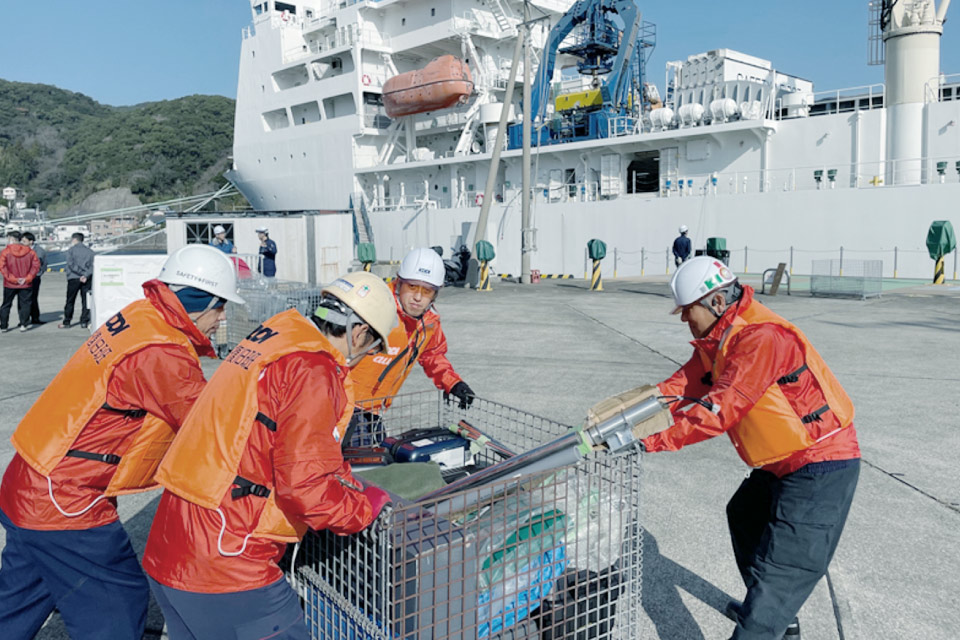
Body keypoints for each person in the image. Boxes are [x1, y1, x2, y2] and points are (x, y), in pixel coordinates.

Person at [0, 245, 244, 639]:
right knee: (115, 604)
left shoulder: (141, 316)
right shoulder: (162, 352)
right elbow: (211, 427)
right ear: (202, 303)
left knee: (17, 600)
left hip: (30, 479)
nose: (222, 319)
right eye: (220, 308)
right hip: (65, 501)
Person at [141, 270, 396, 639]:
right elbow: (305, 489)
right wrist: (362, 509)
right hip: (227, 563)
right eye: (372, 348)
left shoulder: (277, 335)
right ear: (359, 333)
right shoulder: (313, 369)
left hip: (172, 542)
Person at [639, 256, 860, 640]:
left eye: (687, 311)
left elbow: (719, 411)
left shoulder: (761, 338)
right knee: (744, 516)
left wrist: (649, 440)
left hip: (822, 465)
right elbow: (682, 385)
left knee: (779, 578)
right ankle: (775, 614)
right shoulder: (719, 337)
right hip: (782, 464)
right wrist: (633, 411)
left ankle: (768, 616)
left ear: (716, 304)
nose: (682, 319)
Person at [349, 247, 474, 445]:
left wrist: (453, 383)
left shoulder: (428, 322)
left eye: (426, 291)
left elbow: (433, 355)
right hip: (344, 406)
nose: (418, 297)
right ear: (399, 283)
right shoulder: (376, 307)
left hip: (373, 409)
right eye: (413, 287)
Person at [0, 230, 40, 334]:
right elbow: (35, 267)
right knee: (25, 304)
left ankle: (3, 325)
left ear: (11, 239)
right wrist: (27, 278)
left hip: (9, 283)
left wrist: (13, 279)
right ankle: (24, 324)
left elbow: (3, 267)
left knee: (6, 304)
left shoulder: (5, 252)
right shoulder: (31, 252)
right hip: (26, 283)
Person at [60, 232, 96, 329]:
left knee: (70, 300)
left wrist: (80, 273)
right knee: (85, 301)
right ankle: (84, 321)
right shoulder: (90, 252)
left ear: (74, 239)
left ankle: (67, 321)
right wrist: (85, 275)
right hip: (86, 279)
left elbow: (70, 264)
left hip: (73, 277)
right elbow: (93, 266)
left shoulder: (71, 251)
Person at [20, 232, 46, 325]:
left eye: (24, 241)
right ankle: (23, 319)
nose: (22, 242)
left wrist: (39, 274)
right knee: (22, 299)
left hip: (34, 277)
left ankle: (35, 318)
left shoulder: (39, 251)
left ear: (31, 241)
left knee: (33, 297)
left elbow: (42, 264)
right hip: (22, 277)